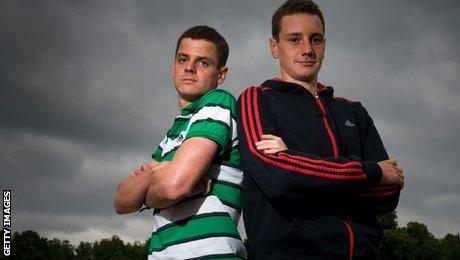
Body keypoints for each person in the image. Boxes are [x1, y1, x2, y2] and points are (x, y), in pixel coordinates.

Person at [237, 0, 405, 259]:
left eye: (315, 39)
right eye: (294, 39)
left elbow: (388, 192)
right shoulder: (256, 99)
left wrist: (300, 166)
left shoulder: (353, 111)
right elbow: (279, 180)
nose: (307, 49)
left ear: (324, 45)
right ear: (274, 47)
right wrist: (370, 171)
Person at [113, 26, 246, 259]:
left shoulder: (218, 103)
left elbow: (173, 186)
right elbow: (121, 201)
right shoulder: (171, 137)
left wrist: (157, 177)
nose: (189, 68)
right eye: (183, 59)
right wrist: (157, 173)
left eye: (203, 62)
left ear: (221, 74)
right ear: (174, 65)